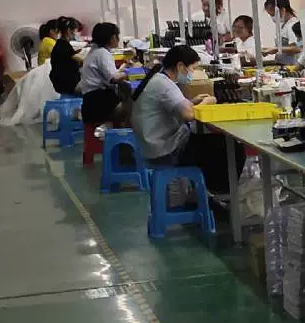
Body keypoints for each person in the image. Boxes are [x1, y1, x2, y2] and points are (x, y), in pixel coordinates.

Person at [131, 44, 230, 194]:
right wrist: (206, 102)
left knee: (214, 144)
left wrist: (192, 102)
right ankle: (217, 194)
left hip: (153, 145)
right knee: (226, 147)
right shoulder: (165, 85)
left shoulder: (159, 79)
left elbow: (177, 106)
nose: (193, 73)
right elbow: (188, 115)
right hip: (164, 150)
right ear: (181, 66)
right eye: (193, 69)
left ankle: (206, 193)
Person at [77, 21, 126, 127]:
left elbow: (109, 73)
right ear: (113, 37)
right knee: (130, 108)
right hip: (99, 101)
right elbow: (113, 78)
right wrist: (129, 72)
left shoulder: (94, 51)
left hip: (90, 101)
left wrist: (122, 69)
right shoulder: (102, 53)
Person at [47, 20, 83, 95]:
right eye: (76, 31)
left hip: (61, 82)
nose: (76, 33)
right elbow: (79, 62)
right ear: (69, 30)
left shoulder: (61, 44)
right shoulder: (64, 46)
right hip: (67, 85)